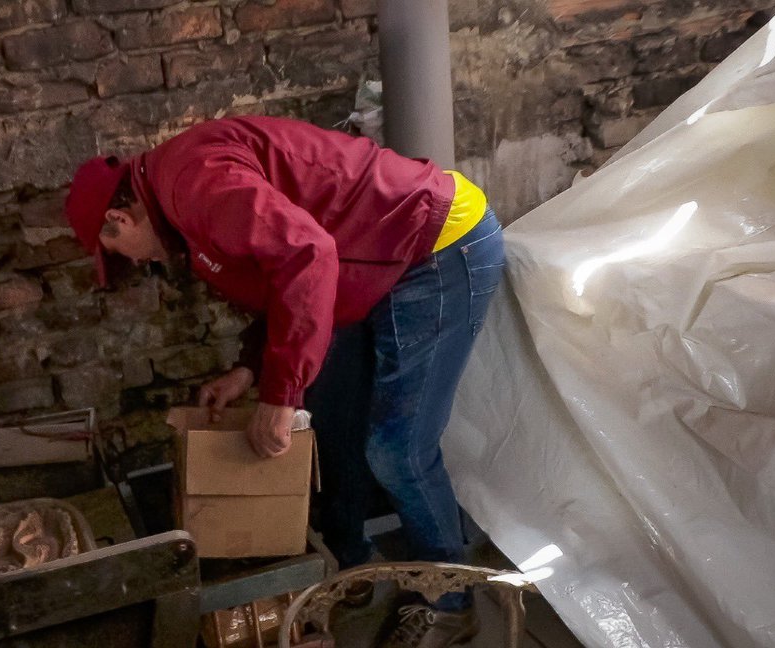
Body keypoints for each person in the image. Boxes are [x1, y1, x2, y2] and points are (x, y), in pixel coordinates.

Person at [64, 115, 504, 648]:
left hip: (436, 244)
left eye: (124, 257)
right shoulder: (179, 202)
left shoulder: (191, 184)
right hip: (366, 259)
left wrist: (280, 395)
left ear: (120, 218)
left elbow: (306, 255)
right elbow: (280, 279)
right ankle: (353, 566)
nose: (141, 265)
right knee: (332, 419)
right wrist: (252, 367)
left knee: (397, 450)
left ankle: (450, 602)